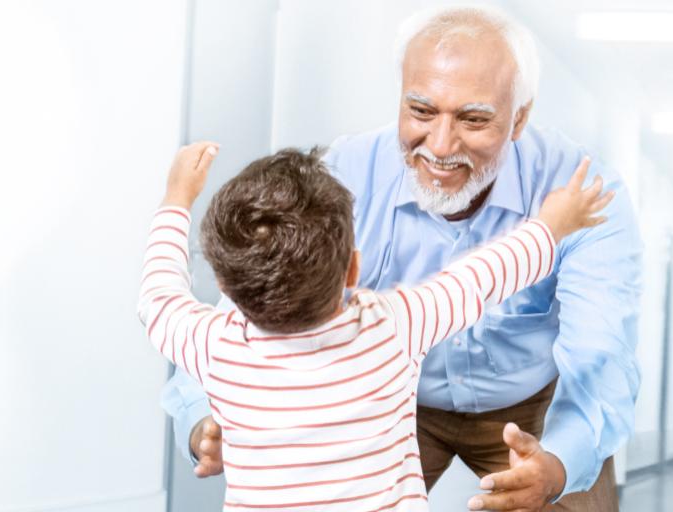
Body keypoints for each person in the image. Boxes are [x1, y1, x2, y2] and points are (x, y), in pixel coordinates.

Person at [162, 6, 642, 510]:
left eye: (473, 119)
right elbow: (251, 300)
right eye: (421, 111)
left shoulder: (585, 192)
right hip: (385, 395)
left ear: (519, 117)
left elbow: (600, 357)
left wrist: (558, 466)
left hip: (530, 404)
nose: (439, 145)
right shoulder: (343, 172)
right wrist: (202, 416)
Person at [140, 142, 610, 510]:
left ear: (224, 284)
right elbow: (483, 277)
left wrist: (176, 197)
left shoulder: (215, 346)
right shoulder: (391, 328)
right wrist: (552, 225)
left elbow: (158, 295)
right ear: (353, 269)